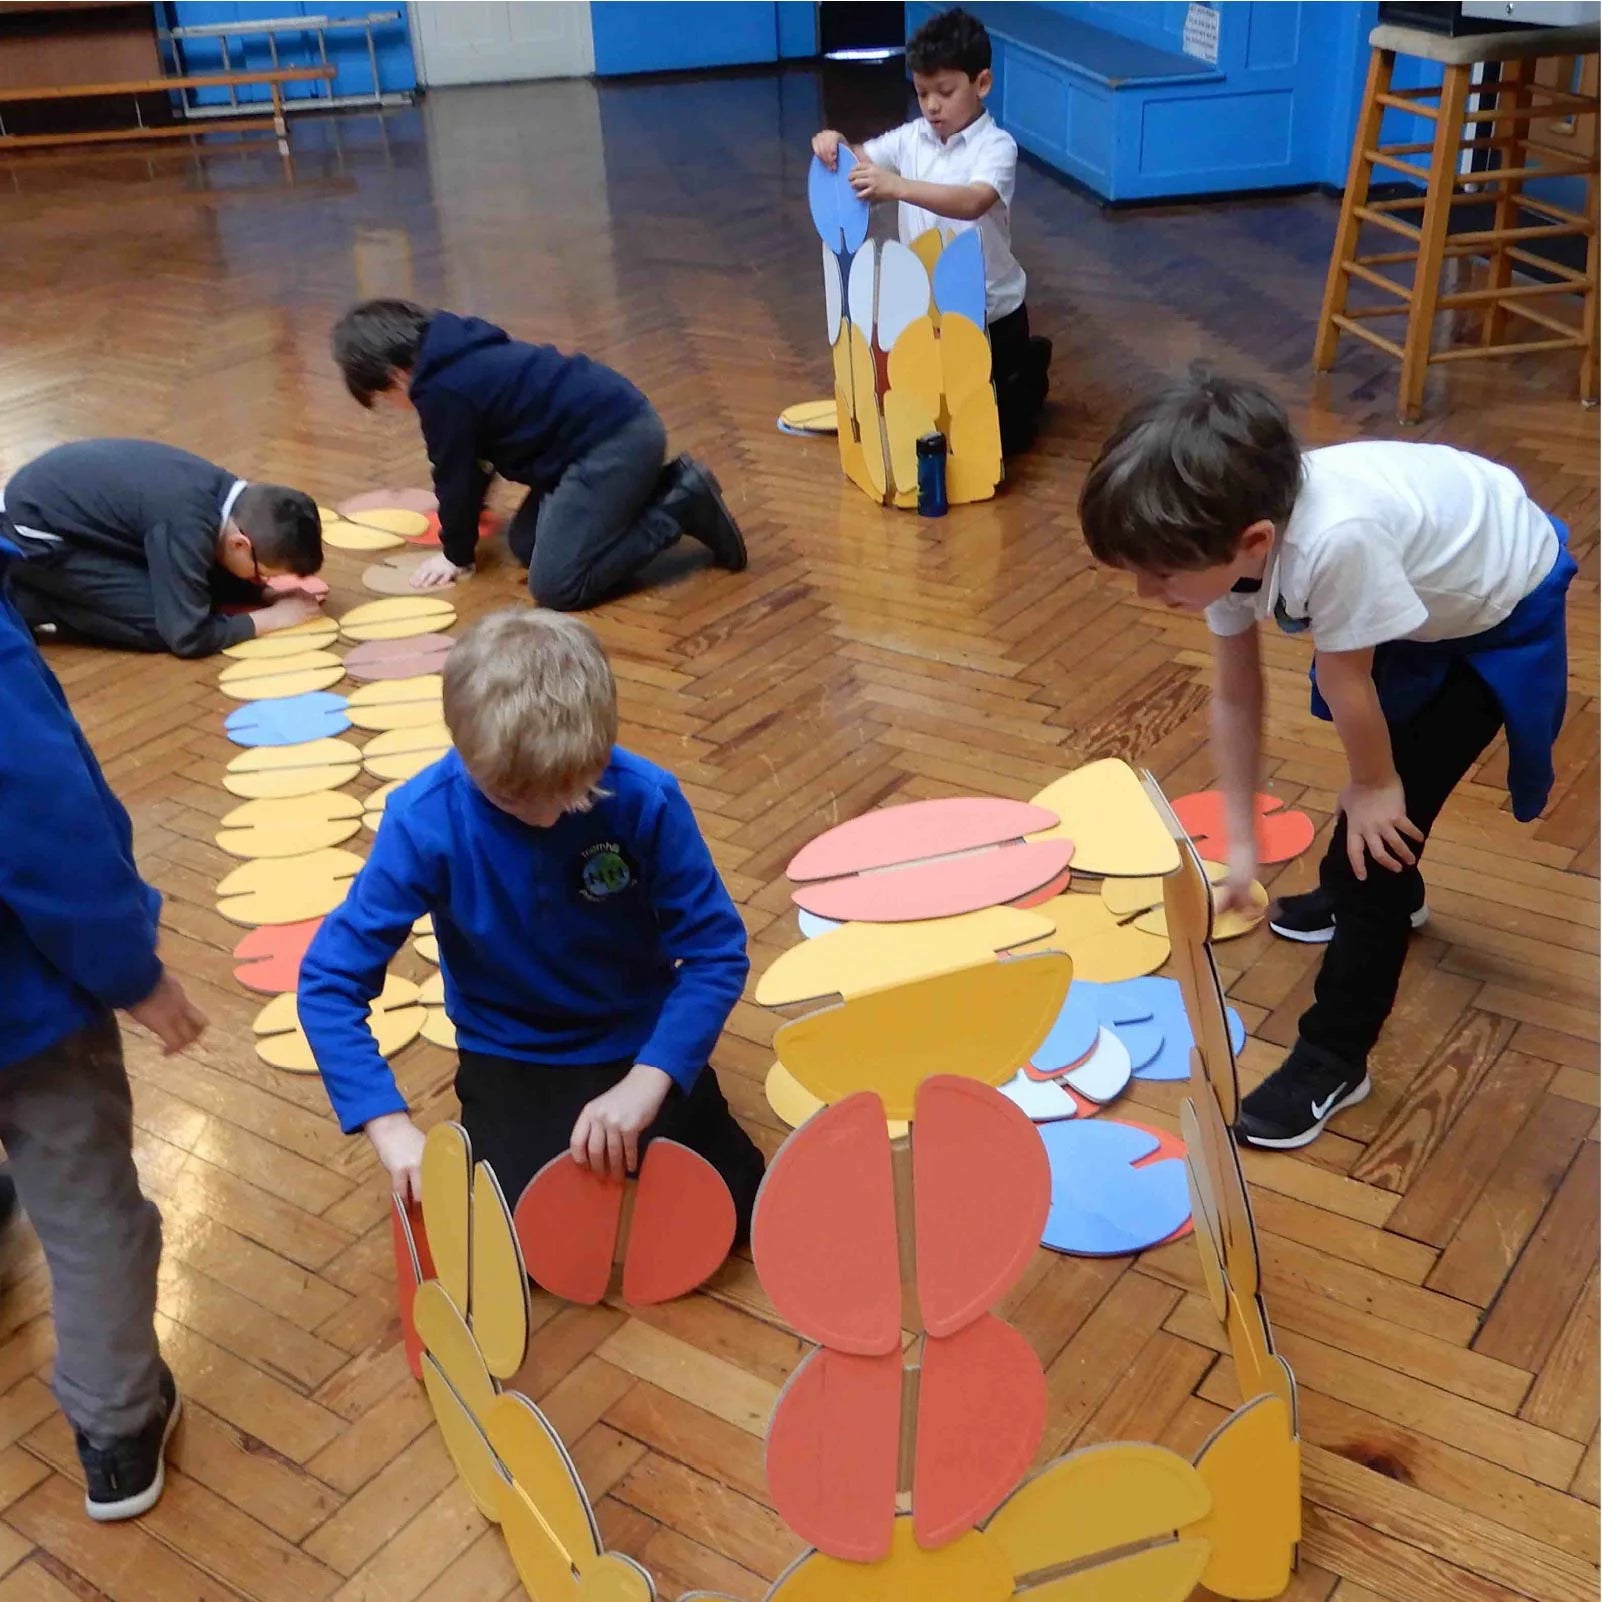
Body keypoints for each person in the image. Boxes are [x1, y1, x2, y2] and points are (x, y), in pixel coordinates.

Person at [1078, 368, 1574, 1150]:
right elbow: (1238, 696)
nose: (1145, 592)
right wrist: (1240, 845)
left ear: (1253, 544)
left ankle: (1336, 1054)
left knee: (1375, 844)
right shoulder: (1235, 530)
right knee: (1369, 829)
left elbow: (1352, 683)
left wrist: (1375, 787)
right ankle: (1370, 891)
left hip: (1500, 605)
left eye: (1160, 573)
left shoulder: (1336, 543)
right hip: (1428, 584)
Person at [299, 607, 765, 1241]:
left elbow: (715, 953)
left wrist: (649, 1079)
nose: (547, 818)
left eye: (575, 791)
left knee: (733, 1215)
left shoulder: (643, 795)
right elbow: (329, 983)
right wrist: (389, 1126)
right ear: (465, 757)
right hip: (509, 1048)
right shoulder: (422, 819)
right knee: (518, 1241)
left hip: (634, 1034)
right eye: (514, 799)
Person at [0, 526, 208, 1520]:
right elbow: (48, 837)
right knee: (89, 1219)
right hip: (27, 1011)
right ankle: (120, 1426)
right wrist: (136, 974)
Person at [329, 299, 747, 610]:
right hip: (607, 432)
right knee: (526, 543)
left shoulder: (441, 392)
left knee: (556, 587)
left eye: (384, 398)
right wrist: (469, 524)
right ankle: (647, 493)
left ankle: (679, 505)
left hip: (612, 444)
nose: (394, 408)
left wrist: (455, 555)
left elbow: (454, 474)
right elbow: (477, 459)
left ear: (395, 375)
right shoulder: (450, 347)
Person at [812, 5, 1051, 455]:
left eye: (945, 91)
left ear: (981, 84)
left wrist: (898, 187)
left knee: (999, 439)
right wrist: (834, 144)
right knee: (932, 421)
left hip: (992, 315)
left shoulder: (996, 146)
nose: (932, 106)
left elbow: (972, 200)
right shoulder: (912, 137)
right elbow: (857, 157)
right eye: (923, 93)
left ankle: (1030, 369)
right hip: (929, 312)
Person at [2, 439, 324, 659]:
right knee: (163, 622)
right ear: (240, 543)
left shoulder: (225, 498)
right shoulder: (187, 522)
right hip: (34, 535)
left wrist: (261, 596)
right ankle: (25, 598)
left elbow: (204, 564)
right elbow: (186, 636)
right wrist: (275, 618)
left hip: (64, 514)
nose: (259, 581)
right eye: (260, 575)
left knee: (192, 591)